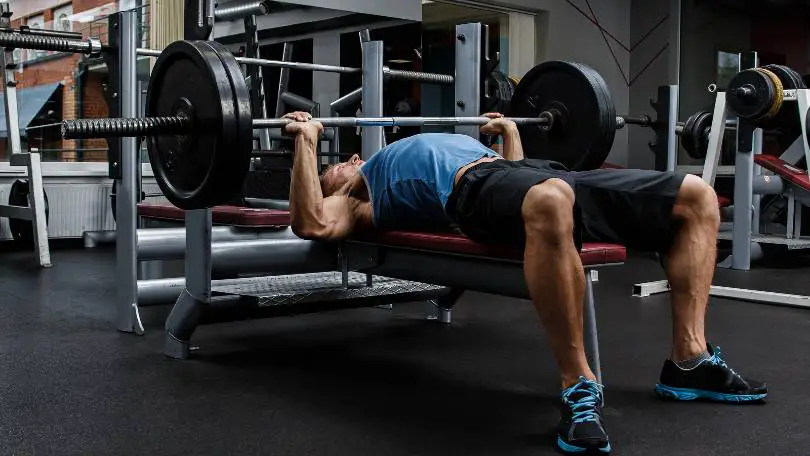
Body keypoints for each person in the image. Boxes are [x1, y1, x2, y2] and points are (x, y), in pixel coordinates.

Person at [282, 111, 767, 454]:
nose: (342, 161)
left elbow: (514, 184)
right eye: (331, 168)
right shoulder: (357, 197)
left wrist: (510, 133)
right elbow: (312, 223)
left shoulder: (384, 160)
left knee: (697, 197)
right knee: (551, 200)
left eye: (338, 159)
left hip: (525, 173)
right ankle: (579, 385)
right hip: (469, 192)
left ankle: (689, 358)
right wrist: (305, 142)